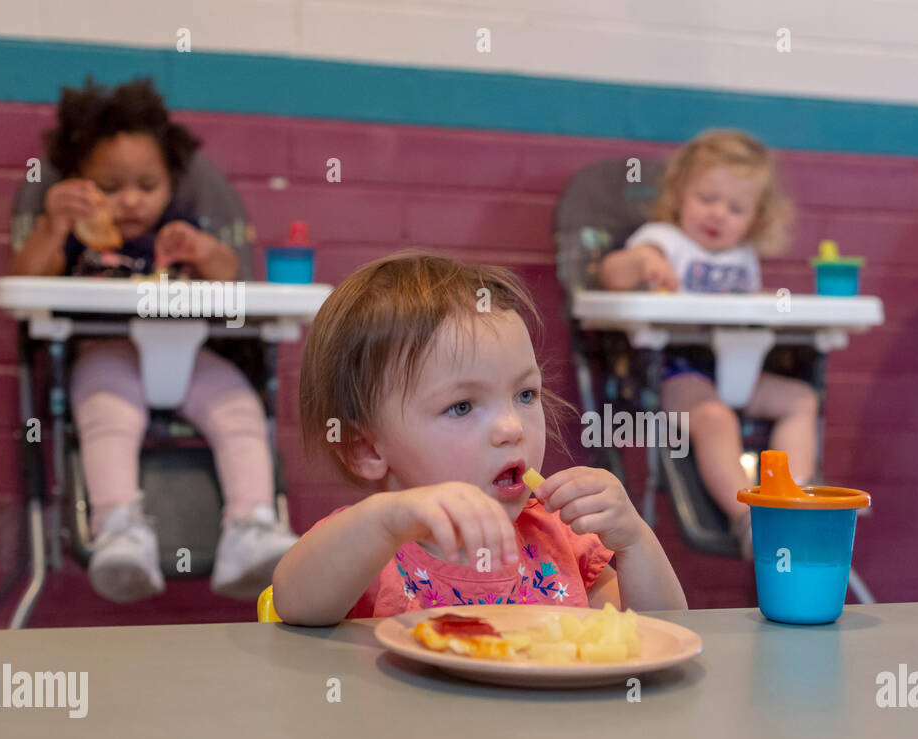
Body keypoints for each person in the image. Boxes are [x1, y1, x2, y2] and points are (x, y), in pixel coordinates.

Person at [272, 252, 686, 625]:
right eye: (462, 406)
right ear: (367, 448)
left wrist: (634, 540)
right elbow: (294, 604)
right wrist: (386, 520)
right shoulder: (366, 545)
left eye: (525, 395)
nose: (512, 428)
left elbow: (662, 631)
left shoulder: (561, 539)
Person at [7, 77, 296, 601]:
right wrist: (53, 224)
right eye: (111, 188)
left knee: (239, 409)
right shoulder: (72, 237)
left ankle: (250, 529)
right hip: (104, 355)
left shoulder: (179, 232)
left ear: (171, 184)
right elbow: (26, 279)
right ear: (81, 183)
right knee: (108, 417)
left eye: (147, 185)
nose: (131, 201)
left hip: (189, 354)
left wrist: (205, 251)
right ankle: (119, 528)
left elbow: (232, 277)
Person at [598, 129, 813, 560]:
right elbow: (610, 276)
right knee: (715, 419)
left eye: (736, 208)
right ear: (680, 195)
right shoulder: (664, 240)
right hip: (673, 370)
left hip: (733, 368)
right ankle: (750, 519)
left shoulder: (742, 259)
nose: (718, 214)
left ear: (756, 218)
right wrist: (641, 263)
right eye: (707, 198)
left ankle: (795, 503)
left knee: (800, 399)